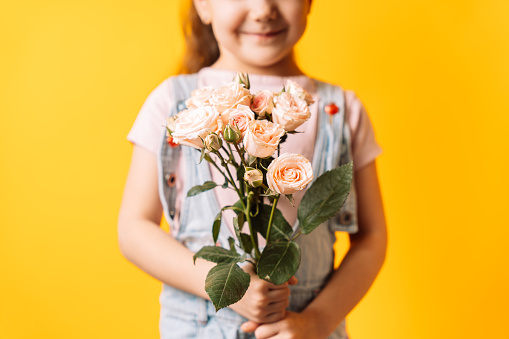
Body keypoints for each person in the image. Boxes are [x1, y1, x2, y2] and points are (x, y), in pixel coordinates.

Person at [118, 0, 387, 338]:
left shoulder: (340, 111)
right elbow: (133, 228)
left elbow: (372, 238)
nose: (263, 9)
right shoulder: (171, 104)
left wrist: (318, 321)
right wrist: (226, 287)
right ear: (203, 5)